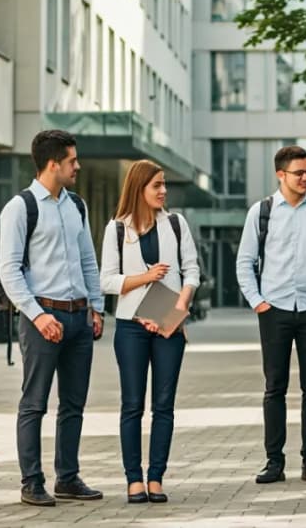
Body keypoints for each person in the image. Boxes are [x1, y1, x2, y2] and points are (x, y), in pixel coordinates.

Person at [0, 130, 104, 506]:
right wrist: (38, 316)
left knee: (74, 404)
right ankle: (31, 481)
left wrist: (97, 306)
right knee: (35, 404)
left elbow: (88, 260)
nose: (78, 166)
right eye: (72, 161)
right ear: (53, 164)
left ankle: (68, 478)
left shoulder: (76, 205)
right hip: (42, 319)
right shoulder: (20, 207)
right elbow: (9, 271)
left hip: (79, 319)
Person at [235, 145, 306, 485]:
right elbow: (244, 261)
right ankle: (274, 462)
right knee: (275, 388)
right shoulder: (262, 212)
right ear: (281, 175)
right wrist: (258, 302)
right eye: (299, 173)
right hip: (275, 310)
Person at [100, 160, 200, 504]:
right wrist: (146, 277)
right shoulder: (116, 228)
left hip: (169, 326)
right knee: (132, 405)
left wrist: (177, 309)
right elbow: (107, 280)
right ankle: (133, 480)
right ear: (139, 188)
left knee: (164, 405)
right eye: (156, 185)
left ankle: (156, 478)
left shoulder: (175, 223)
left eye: (164, 184)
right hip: (130, 328)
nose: (163, 190)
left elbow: (192, 271)